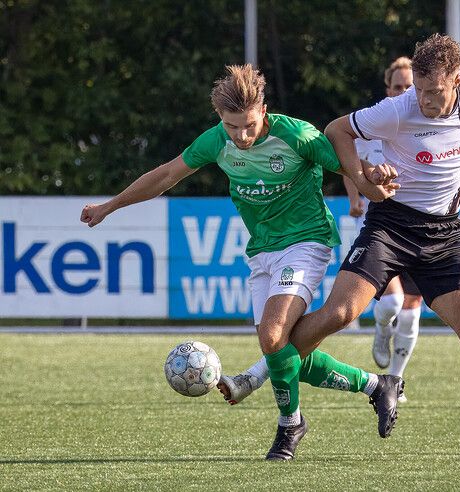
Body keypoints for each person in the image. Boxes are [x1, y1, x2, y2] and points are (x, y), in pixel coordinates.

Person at [80, 64, 404, 461]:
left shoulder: (297, 135)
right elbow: (166, 175)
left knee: (272, 337)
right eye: (232, 127)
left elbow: (346, 165)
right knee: (284, 356)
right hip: (262, 251)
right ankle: (376, 385)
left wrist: (374, 180)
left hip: (305, 242)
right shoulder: (217, 141)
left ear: (263, 110)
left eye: (249, 125)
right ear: (221, 119)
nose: (241, 135)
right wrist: (109, 206)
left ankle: (290, 425)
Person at [288, 33, 460, 461]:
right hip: (391, 226)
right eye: (419, 90)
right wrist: (365, 182)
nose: (424, 100)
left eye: (434, 92)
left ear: (454, 83)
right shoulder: (398, 109)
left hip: (443, 234)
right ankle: (264, 370)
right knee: (340, 313)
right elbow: (337, 130)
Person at [343, 57, 422, 398]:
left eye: (410, 87)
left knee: (410, 313)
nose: (403, 92)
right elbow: (348, 164)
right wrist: (356, 197)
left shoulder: (429, 123)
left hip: (422, 228)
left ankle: (395, 381)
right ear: (387, 90)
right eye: (397, 87)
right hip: (382, 228)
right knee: (391, 305)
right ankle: (379, 329)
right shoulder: (372, 123)